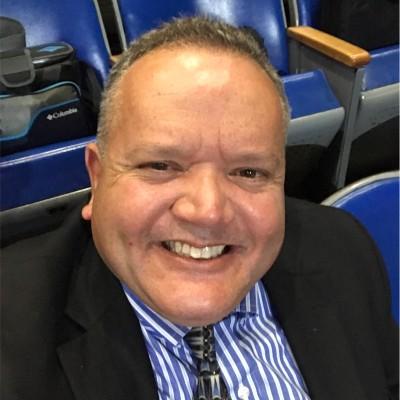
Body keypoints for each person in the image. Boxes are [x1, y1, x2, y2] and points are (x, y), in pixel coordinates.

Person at [1, 16, 398, 400]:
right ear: (98, 177)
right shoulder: (13, 331)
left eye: (248, 172)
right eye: (160, 166)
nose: (207, 211)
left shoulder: (342, 251)